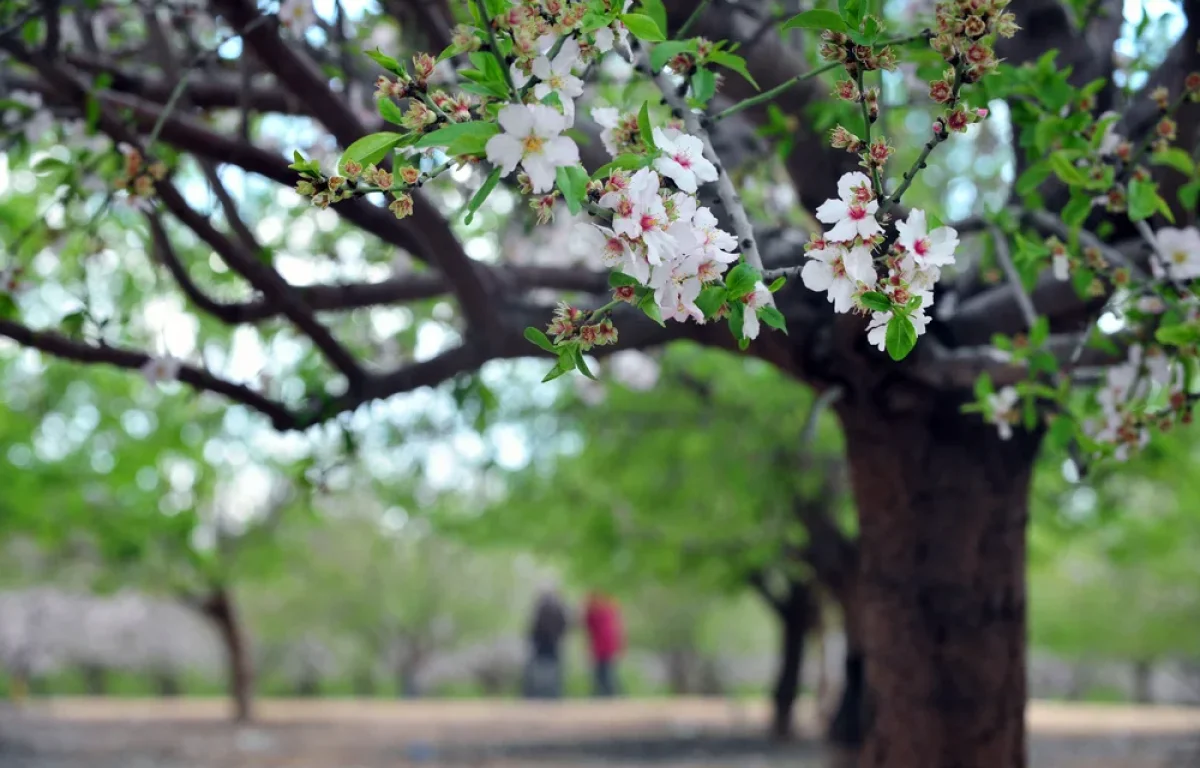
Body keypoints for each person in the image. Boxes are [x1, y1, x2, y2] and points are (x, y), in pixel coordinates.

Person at [524, 587, 568, 699]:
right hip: (552, 645)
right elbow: (564, 625)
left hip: (543, 646)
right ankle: (551, 696)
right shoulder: (558, 607)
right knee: (552, 673)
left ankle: (542, 696)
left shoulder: (540, 608)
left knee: (541, 673)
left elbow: (533, 628)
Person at [583, 591, 624, 697]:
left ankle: (607, 694)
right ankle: (606, 694)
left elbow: (590, 630)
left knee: (604, 672)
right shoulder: (607, 611)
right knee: (604, 672)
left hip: (603, 647)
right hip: (604, 646)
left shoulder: (597, 613)